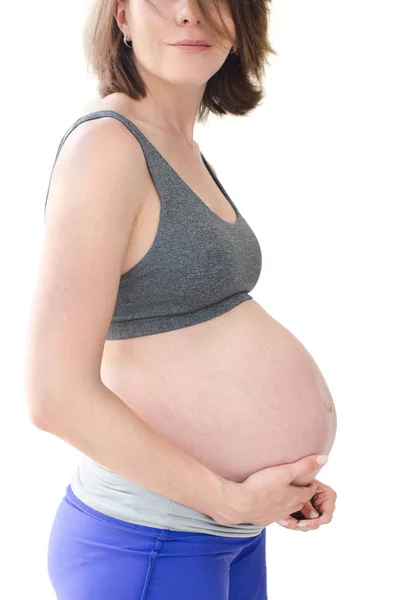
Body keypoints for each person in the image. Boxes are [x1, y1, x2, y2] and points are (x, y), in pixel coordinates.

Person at [25, 1, 337, 598]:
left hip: (223, 531)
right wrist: (228, 496)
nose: (189, 15)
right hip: (153, 540)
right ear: (121, 16)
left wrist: (271, 485)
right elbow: (53, 396)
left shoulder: (174, 142)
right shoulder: (106, 149)